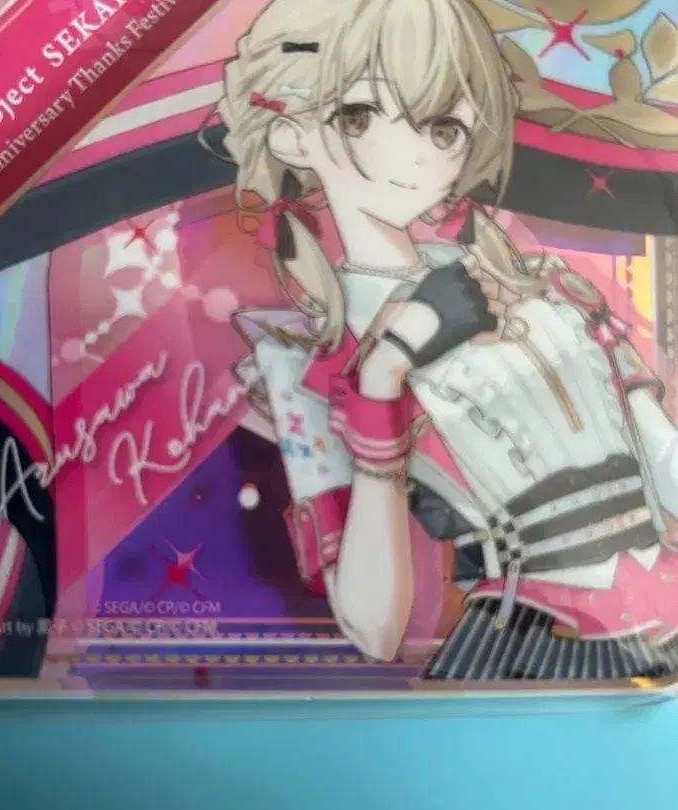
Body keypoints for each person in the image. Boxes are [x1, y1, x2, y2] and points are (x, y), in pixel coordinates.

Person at [219, 0, 678, 681]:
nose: (413, 153)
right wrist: (383, 376)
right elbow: (374, 626)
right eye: (361, 116)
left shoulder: (545, 287)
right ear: (291, 134)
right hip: (528, 645)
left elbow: (664, 462)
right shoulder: (305, 362)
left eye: (442, 127)